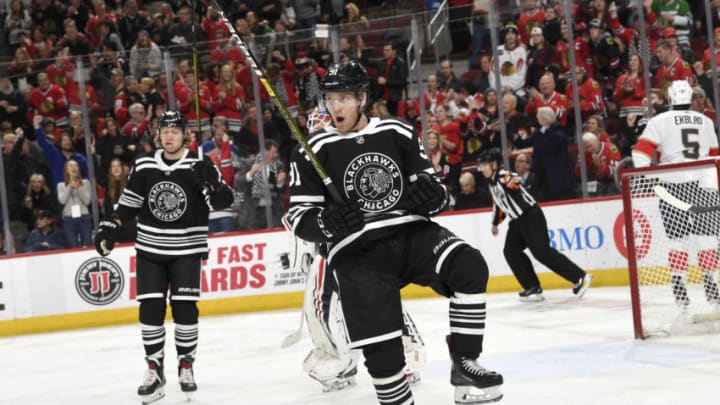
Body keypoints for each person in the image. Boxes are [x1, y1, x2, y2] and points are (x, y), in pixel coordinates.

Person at [287, 60, 503, 405]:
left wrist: (434, 196)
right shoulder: (312, 149)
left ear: (362, 97)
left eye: (344, 97)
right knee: (384, 356)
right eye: (330, 98)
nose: (335, 106)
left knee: (469, 265)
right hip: (357, 253)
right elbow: (299, 216)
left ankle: (465, 362)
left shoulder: (396, 132)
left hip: (411, 233)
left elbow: (431, 188)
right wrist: (327, 223)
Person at [93, 111, 234, 404]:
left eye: (175, 131)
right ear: (159, 135)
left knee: (184, 310)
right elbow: (129, 203)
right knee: (150, 310)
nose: (169, 136)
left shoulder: (200, 163)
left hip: (186, 249)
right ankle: (154, 368)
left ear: (185, 134)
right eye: (165, 131)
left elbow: (223, 203)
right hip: (150, 249)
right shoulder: (144, 164)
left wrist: (214, 184)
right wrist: (110, 226)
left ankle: (186, 365)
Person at [631, 80, 720, 307]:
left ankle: (680, 289)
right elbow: (715, 157)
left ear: (670, 99)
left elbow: (641, 153)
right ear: (690, 99)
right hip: (703, 184)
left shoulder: (658, 121)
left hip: (672, 185)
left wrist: (649, 178)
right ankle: (712, 287)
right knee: (707, 238)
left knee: (676, 240)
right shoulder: (707, 121)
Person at [478, 148, 592, 302]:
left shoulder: (504, 176)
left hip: (531, 216)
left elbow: (515, 181)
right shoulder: (491, 184)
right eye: (481, 165)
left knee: (541, 252)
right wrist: (495, 223)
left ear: (493, 164)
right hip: (517, 221)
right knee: (511, 251)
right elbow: (498, 204)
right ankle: (532, 287)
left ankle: (580, 277)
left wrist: (511, 183)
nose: (481, 168)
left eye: (484, 165)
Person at [57, 159, 93, 248]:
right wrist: (70, 186)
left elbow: (87, 201)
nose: (74, 168)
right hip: (69, 219)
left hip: (84, 217)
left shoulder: (85, 183)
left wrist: (78, 187)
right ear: (66, 170)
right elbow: (62, 201)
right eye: (71, 166)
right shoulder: (61, 185)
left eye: (76, 165)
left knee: (87, 244)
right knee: (72, 245)